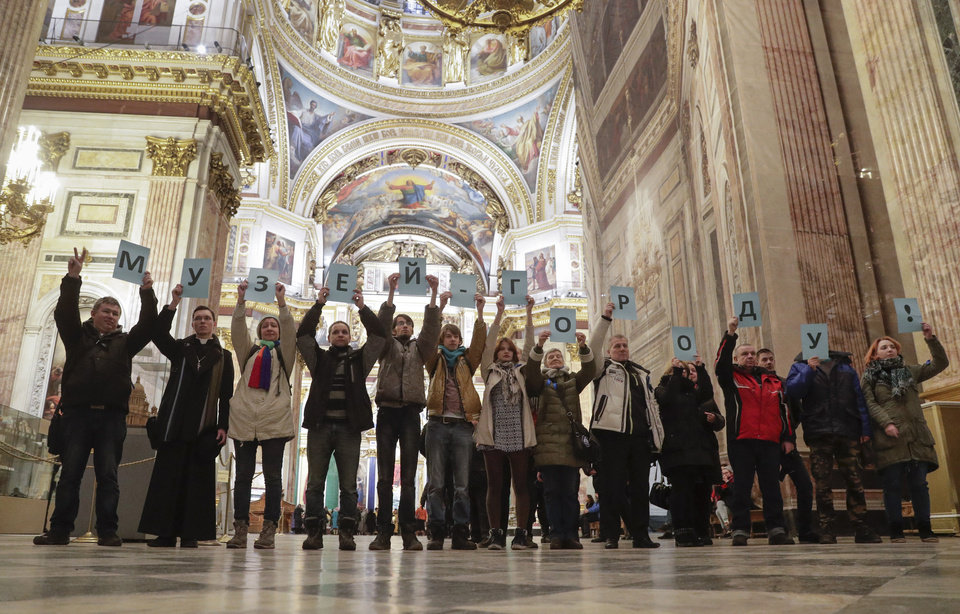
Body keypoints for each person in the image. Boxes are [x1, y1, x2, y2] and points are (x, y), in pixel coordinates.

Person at [35, 248, 157, 547]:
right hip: (77, 415)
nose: (111, 317)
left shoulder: (125, 343)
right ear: (94, 313)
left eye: (115, 314)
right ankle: (60, 530)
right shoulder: (77, 338)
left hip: (111, 418)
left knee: (109, 477)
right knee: (70, 476)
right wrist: (73, 278)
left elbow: (149, 325)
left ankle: (108, 531)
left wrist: (147, 293)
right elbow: (63, 312)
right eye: (106, 312)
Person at [139, 284, 233, 548]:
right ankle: (165, 534)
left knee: (197, 482)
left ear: (214, 324)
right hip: (174, 423)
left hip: (203, 427)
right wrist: (173, 304)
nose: (202, 321)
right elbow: (157, 333)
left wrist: (223, 426)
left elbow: (226, 396)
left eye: (207, 318)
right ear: (193, 323)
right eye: (198, 318)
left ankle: (190, 534)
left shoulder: (224, 357)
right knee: (167, 481)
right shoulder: (180, 348)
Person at [298, 285, 386, 551]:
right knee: (315, 482)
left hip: (349, 429)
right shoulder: (319, 359)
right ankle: (314, 531)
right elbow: (303, 335)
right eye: (335, 331)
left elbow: (380, 336)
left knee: (349, 485)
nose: (339, 334)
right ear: (329, 335)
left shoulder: (360, 361)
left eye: (344, 332)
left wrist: (362, 307)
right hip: (320, 426)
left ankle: (346, 532)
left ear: (350, 337)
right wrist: (318, 304)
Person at [370, 272, 441, 551]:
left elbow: (432, 331)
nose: (403, 326)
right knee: (385, 477)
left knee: (409, 477)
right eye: (399, 323)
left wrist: (434, 295)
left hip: (411, 414)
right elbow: (380, 326)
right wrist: (390, 292)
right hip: (387, 413)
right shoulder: (385, 347)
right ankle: (383, 533)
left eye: (407, 323)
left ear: (412, 330)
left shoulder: (420, 350)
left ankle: (409, 533)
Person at [225, 280, 298, 550]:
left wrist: (281, 304)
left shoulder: (283, 354)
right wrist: (241, 302)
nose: (269, 328)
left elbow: (291, 333)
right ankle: (241, 530)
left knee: (272, 476)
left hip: (273, 420)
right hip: (245, 419)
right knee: (242, 476)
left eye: (273, 325)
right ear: (259, 331)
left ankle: (268, 530)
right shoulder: (251, 352)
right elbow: (237, 332)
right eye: (265, 325)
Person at [861, 323, 948, 543]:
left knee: (919, 484)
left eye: (892, 346)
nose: (889, 350)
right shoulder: (869, 377)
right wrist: (887, 423)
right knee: (892, 485)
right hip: (889, 438)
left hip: (915, 437)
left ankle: (925, 529)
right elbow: (869, 404)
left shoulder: (909, 371)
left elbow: (940, 363)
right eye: (884, 347)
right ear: (875, 355)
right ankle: (896, 530)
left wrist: (930, 338)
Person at [785, 346, 882, 544]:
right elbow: (793, 392)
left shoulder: (846, 368)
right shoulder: (800, 366)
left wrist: (865, 429)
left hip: (848, 429)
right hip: (818, 431)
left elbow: (859, 399)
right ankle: (826, 528)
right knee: (822, 483)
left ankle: (861, 526)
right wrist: (808, 370)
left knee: (854, 480)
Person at [526, 313, 604, 550]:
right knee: (551, 493)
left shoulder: (572, 382)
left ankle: (571, 534)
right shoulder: (540, 382)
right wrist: (538, 347)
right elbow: (529, 373)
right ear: (546, 363)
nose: (556, 358)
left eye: (558, 355)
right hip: (548, 447)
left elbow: (590, 371)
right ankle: (557, 534)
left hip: (570, 446)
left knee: (570, 494)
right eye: (551, 356)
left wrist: (583, 347)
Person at [715, 315, 794, 546]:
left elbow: (784, 412)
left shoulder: (773, 382)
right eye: (745, 354)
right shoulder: (731, 378)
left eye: (752, 353)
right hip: (742, 440)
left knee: (771, 486)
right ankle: (740, 529)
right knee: (742, 486)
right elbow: (719, 363)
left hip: (769, 440)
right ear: (737, 358)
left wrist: (787, 437)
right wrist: (730, 334)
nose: (750, 356)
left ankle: (776, 529)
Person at [590, 322, 664, 549]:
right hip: (612, 436)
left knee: (640, 488)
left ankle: (641, 534)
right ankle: (611, 535)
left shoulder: (641, 374)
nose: (622, 349)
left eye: (624, 346)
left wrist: (656, 434)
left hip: (639, 437)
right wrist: (605, 320)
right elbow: (591, 353)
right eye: (617, 346)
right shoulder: (603, 369)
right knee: (613, 488)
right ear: (609, 351)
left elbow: (649, 405)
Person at [423, 292, 487, 550]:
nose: (452, 339)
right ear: (442, 339)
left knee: (462, 485)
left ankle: (461, 532)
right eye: (448, 336)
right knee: (436, 484)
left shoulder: (466, 361)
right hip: (437, 425)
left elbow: (480, 345)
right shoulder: (433, 360)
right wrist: (440, 308)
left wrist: (481, 313)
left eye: (456, 336)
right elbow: (427, 340)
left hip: (462, 426)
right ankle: (436, 532)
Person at [476, 295, 537, 549]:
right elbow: (487, 345)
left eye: (508, 349)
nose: (504, 352)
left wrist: (530, 313)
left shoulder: (523, 372)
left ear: (515, 353)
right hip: (494, 433)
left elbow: (534, 351)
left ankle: (521, 533)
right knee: (494, 485)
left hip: (519, 433)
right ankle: (496, 533)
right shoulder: (489, 371)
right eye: (501, 350)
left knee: (521, 484)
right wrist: (498, 314)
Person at [655, 357, 724, 547]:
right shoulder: (662, 389)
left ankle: (701, 531)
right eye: (679, 371)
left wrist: (701, 370)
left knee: (701, 493)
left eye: (685, 372)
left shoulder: (693, 394)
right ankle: (683, 531)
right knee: (682, 493)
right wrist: (677, 373)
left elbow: (707, 394)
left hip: (699, 450)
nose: (684, 374)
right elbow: (668, 398)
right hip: (677, 451)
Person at [756, 348, 818, 543]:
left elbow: (794, 412)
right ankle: (777, 529)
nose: (768, 362)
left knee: (805, 485)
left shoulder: (784, 384)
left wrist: (789, 438)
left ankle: (805, 529)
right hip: (766, 445)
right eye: (764, 360)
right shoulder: (756, 386)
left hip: (787, 444)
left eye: (771, 359)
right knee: (771, 488)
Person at [713, 466, 734, 536]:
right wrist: (719, 485)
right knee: (718, 509)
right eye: (723, 474)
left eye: (726, 473)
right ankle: (727, 527)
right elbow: (719, 497)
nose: (724, 475)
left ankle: (726, 529)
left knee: (718, 511)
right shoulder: (721, 484)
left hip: (734, 506)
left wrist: (727, 482)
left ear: (731, 473)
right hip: (726, 507)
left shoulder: (733, 481)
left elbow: (733, 491)